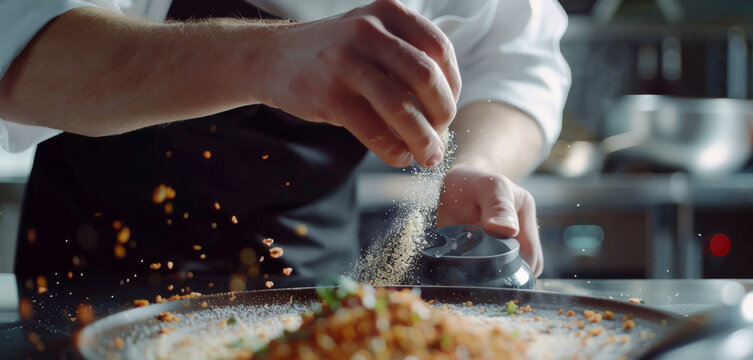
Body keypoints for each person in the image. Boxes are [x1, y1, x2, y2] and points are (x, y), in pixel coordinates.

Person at [0, 0, 569, 285]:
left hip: (310, 289)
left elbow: (516, 59)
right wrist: (265, 57)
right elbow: (22, 46)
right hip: (88, 283)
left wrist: (476, 162)